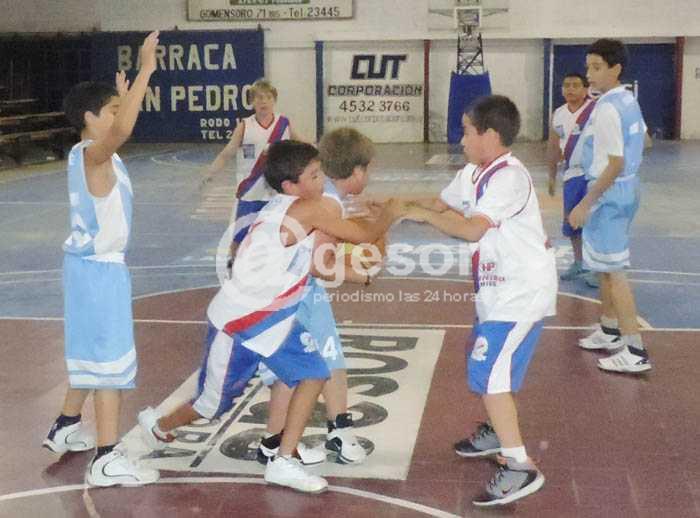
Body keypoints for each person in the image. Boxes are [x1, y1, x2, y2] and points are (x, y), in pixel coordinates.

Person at [137, 141, 405, 493]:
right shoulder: (308, 209)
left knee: (314, 373)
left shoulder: (293, 206)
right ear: (290, 186)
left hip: (272, 317)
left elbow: (319, 261)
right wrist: (391, 213)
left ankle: (283, 461)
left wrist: (363, 267)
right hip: (240, 320)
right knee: (211, 405)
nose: (322, 180)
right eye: (314, 176)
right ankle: (158, 425)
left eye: (321, 173)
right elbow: (364, 236)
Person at [405, 95, 557, 506]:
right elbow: (439, 204)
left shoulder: (509, 178)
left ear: (490, 134)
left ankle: (520, 466)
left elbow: (472, 229)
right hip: (496, 289)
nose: (461, 139)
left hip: (520, 291)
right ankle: (496, 430)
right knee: (492, 366)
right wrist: (393, 209)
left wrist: (425, 216)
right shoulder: (473, 172)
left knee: (489, 371)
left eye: (467, 130)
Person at [42, 32, 161, 487]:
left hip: (92, 271)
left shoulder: (95, 157)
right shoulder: (93, 156)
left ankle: (66, 424)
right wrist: (146, 70)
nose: (119, 116)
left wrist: (125, 97)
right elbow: (122, 130)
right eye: (110, 110)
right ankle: (107, 458)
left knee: (94, 355)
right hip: (97, 273)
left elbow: (120, 127)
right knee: (111, 366)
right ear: (89, 119)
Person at [256, 128, 380, 466]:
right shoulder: (329, 204)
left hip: (289, 288)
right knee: (314, 362)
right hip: (292, 291)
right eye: (368, 169)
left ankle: (284, 440)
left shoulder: (328, 199)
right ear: (357, 171)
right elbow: (318, 264)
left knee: (317, 360)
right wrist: (363, 275)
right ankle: (327, 435)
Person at [569, 39, 651, 373]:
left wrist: (585, 203)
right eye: (588, 67)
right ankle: (610, 328)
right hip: (626, 189)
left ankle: (635, 350)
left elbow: (614, 163)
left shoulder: (606, 108)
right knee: (604, 265)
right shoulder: (627, 99)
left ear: (616, 69)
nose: (590, 74)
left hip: (608, 194)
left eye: (597, 67)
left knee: (615, 272)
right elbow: (646, 140)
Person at [201, 78, 306, 258]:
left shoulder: (284, 124)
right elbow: (227, 153)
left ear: (274, 100)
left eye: (268, 97)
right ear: (252, 102)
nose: (263, 102)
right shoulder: (244, 126)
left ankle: (276, 263)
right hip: (249, 191)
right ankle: (233, 263)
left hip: (276, 192)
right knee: (240, 235)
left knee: (278, 233)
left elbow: (304, 146)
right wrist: (211, 172)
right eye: (259, 98)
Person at [547, 72, 598, 287]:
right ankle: (579, 262)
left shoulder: (596, 110)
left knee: (592, 221)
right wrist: (551, 177)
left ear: (586, 89)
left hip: (593, 174)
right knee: (572, 222)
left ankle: (595, 266)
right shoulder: (558, 114)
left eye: (576, 85)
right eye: (566, 85)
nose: (570, 89)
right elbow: (553, 147)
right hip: (571, 175)